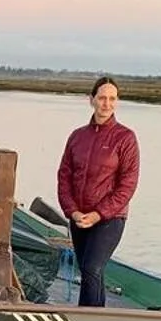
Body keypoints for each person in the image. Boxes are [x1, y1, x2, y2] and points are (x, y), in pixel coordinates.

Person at [56, 75, 140, 306]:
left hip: (109, 218)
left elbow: (128, 184)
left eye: (112, 99)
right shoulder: (77, 136)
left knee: (92, 267)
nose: (107, 103)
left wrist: (98, 214)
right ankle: (99, 318)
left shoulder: (125, 138)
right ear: (91, 100)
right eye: (102, 98)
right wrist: (72, 211)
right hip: (79, 217)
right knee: (89, 270)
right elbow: (64, 177)